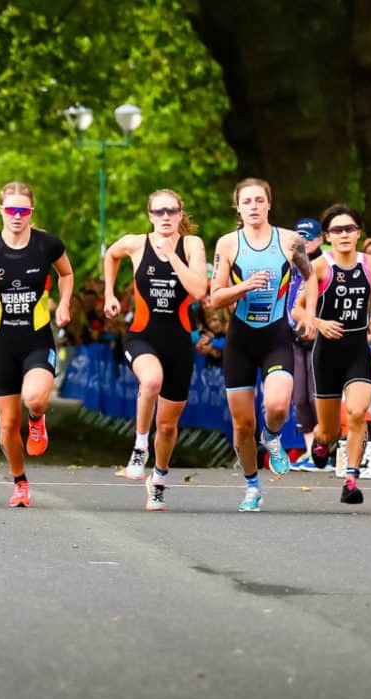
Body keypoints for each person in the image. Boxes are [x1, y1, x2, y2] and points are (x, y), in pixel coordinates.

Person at [208, 177, 317, 512]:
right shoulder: (228, 244)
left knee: (279, 405)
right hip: (240, 340)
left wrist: (308, 315)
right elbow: (215, 298)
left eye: (259, 200)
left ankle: (272, 435)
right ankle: (252, 485)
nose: (253, 207)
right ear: (238, 208)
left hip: (276, 337)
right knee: (242, 424)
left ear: (269, 204)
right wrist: (245, 287)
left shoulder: (290, 241)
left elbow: (310, 277)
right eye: (247, 202)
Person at [0, 181, 73, 508]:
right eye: (10, 210)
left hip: (37, 337)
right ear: (1, 210)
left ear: (30, 212)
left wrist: (65, 303)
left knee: (35, 398)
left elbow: (66, 274)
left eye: (22, 210)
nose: (16, 216)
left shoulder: (47, 245)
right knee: (8, 424)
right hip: (4, 342)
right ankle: (20, 481)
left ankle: (37, 419)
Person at [102, 189, 208, 511]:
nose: (165, 217)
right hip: (142, 336)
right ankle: (139, 447)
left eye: (171, 211)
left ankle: (159, 478)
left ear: (179, 214)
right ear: (149, 215)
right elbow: (111, 255)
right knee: (150, 381)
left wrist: (172, 255)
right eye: (159, 212)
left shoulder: (192, 245)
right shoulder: (136, 243)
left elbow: (200, 289)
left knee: (168, 425)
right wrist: (110, 294)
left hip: (178, 342)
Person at [308, 205, 371, 504]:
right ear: (327, 236)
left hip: (357, 350)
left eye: (349, 229)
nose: (343, 235)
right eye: (337, 230)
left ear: (358, 233)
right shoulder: (319, 267)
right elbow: (297, 307)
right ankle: (321, 440)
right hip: (326, 354)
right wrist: (318, 322)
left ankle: (351, 479)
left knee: (355, 413)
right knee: (328, 430)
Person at [288, 217, 324, 471]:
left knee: (317, 395)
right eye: (300, 236)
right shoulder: (287, 265)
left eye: (310, 237)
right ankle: (312, 450)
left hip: (321, 335)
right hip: (292, 335)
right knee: (299, 395)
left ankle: (325, 449)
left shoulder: (326, 264)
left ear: (321, 239)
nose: (305, 241)